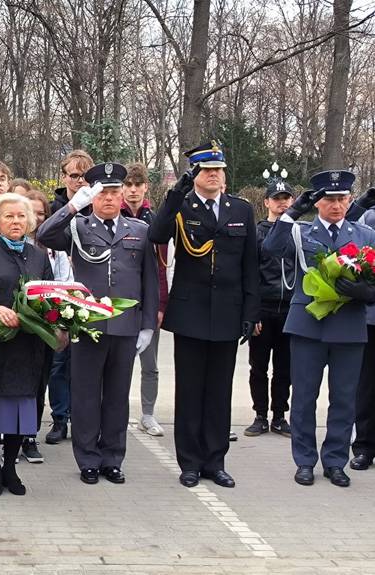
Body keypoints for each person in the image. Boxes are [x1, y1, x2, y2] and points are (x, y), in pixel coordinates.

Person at [148, 140, 259, 489]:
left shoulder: (240, 210)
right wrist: (173, 197)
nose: (214, 176)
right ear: (196, 174)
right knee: (191, 390)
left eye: (218, 170)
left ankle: (215, 460)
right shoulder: (182, 206)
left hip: (227, 313)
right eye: (207, 170)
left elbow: (250, 265)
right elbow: (156, 234)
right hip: (191, 312)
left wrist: (250, 310)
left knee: (219, 392)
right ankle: (190, 462)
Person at [39, 163, 159, 485]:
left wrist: (148, 325)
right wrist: (73, 205)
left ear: (123, 195)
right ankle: (88, 459)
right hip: (88, 325)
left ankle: (112, 458)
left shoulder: (140, 230)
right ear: (92, 196)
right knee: (86, 395)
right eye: (102, 192)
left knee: (118, 397)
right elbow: (44, 234)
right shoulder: (79, 227)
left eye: (114, 192)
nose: (109, 198)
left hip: (125, 326)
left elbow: (150, 281)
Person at [262, 171, 375, 487]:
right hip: (308, 324)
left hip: (350, 324)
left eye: (342, 199)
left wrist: (367, 292)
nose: (336, 205)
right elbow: (270, 249)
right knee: (304, 397)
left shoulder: (364, 234)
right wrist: (292, 212)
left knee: (344, 398)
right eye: (329, 199)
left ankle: (336, 461)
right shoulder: (301, 231)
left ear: (350, 200)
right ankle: (305, 461)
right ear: (318, 202)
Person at [0, 191, 56, 496]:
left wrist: (38, 316)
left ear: (29, 221)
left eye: (21, 216)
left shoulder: (40, 256)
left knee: (20, 411)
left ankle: (10, 469)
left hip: (28, 348)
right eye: (9, 216)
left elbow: (50, 297)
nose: (16, 221)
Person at [20, 188, 71, 456]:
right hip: (17, 325)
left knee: (39, 384)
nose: (37, 218)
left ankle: (30, 436)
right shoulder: (14, 243)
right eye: (32, 212)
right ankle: (11, 436)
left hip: (45, 324)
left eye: (42, 213)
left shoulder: (55, 250)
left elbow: (63, 285)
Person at [120, 163, 169, 437]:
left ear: (146, 187)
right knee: (120, 363)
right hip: (123, 302)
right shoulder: (114, 214)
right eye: (128, 185)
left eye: (138, 185)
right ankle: (117, 412)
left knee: (149, 364)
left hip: (148, 302)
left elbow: (161, 266)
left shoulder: (155, 219)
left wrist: (160, 305)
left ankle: (148, 414)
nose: (133, 190)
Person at [245, 172, 295, 437]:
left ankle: (279, 415)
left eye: (286, 198)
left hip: (289, 309)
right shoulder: (256, 232)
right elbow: (250, 274)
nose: (282, 203)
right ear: (266, 202)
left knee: (285, 367)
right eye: (277, 199)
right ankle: (260, 415)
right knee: (259, 366)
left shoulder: (298, 232)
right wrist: (252, 314)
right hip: (264, 308)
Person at [351, 201, 375, 471]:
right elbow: (348, 234)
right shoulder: (370, 216)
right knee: (367, 386)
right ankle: (365, 447)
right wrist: (359, 205)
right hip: (371, 317)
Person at [50, 150, 95, 215]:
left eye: (85, 175)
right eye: (74, 176)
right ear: (63, 177)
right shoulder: (51, 210)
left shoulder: (99, 209)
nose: (80, 180)